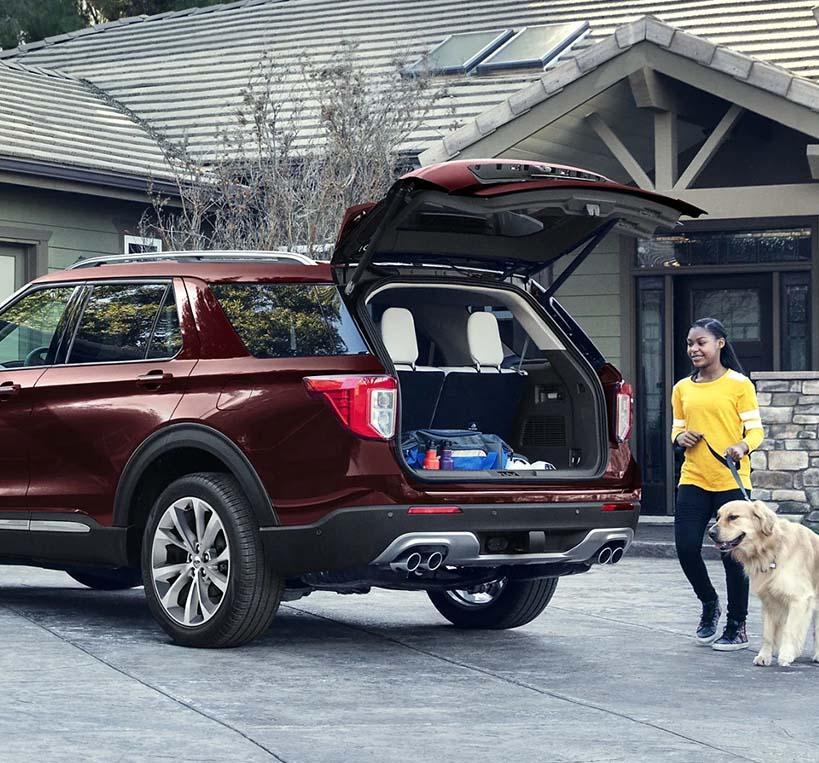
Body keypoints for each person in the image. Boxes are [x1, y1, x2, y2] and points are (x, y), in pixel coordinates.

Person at [671, 317, 764, 651]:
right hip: (694, 478)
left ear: (719, 344)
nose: (693, 349)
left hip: (730, 481)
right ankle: (709, 603)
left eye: (701, 342)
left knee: (733, 556)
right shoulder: (682, 388)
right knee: (685, 547)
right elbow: (675, 429)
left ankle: (737, 625)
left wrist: (742, 446)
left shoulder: (740, 385)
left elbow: (755, 431)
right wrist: (680, 436)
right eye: (690, 343)